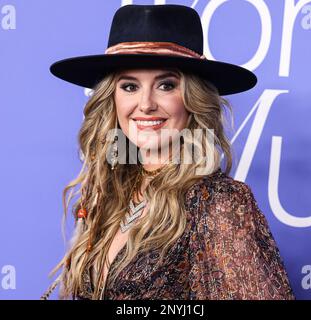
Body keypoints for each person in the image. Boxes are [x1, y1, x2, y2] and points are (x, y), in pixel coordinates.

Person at [41, 4, 295, 300]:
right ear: (111, 98)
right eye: (129, 86)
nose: (146, 104)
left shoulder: (216, 202)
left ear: (192, 99)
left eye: (165, 85)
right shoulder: (108, 193)